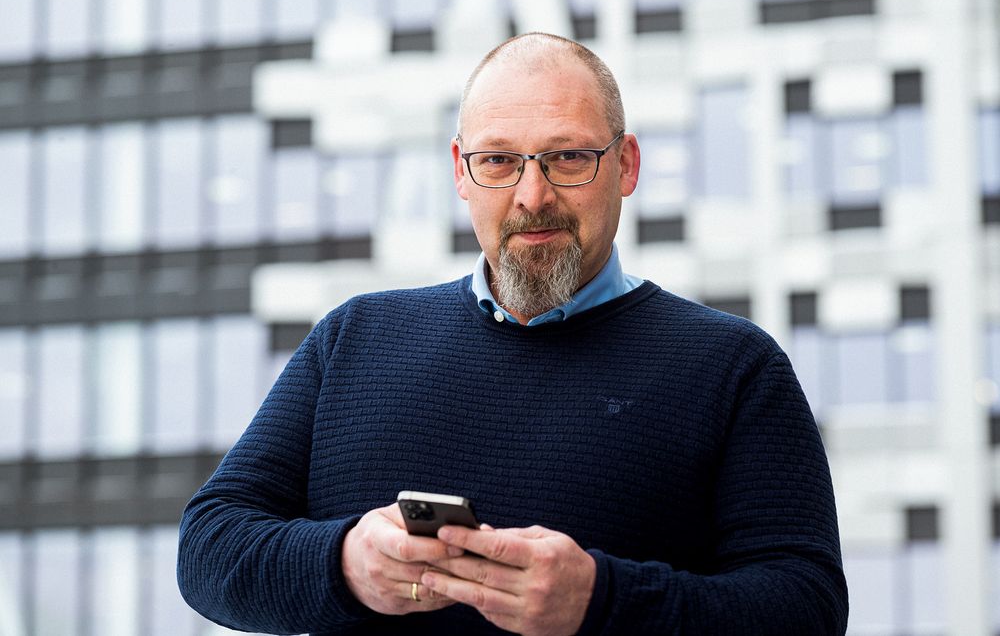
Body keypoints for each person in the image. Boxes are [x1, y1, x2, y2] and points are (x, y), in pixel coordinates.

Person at [177, 32, 849, 635]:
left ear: (627, 165)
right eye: (498, 161)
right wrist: (346, 564)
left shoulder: (733, 367)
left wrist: (603, 600)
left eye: (568, 157)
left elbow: (807, 608)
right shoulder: (354, 339)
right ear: (460, 172)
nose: (532, 194)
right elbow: (209, 546)